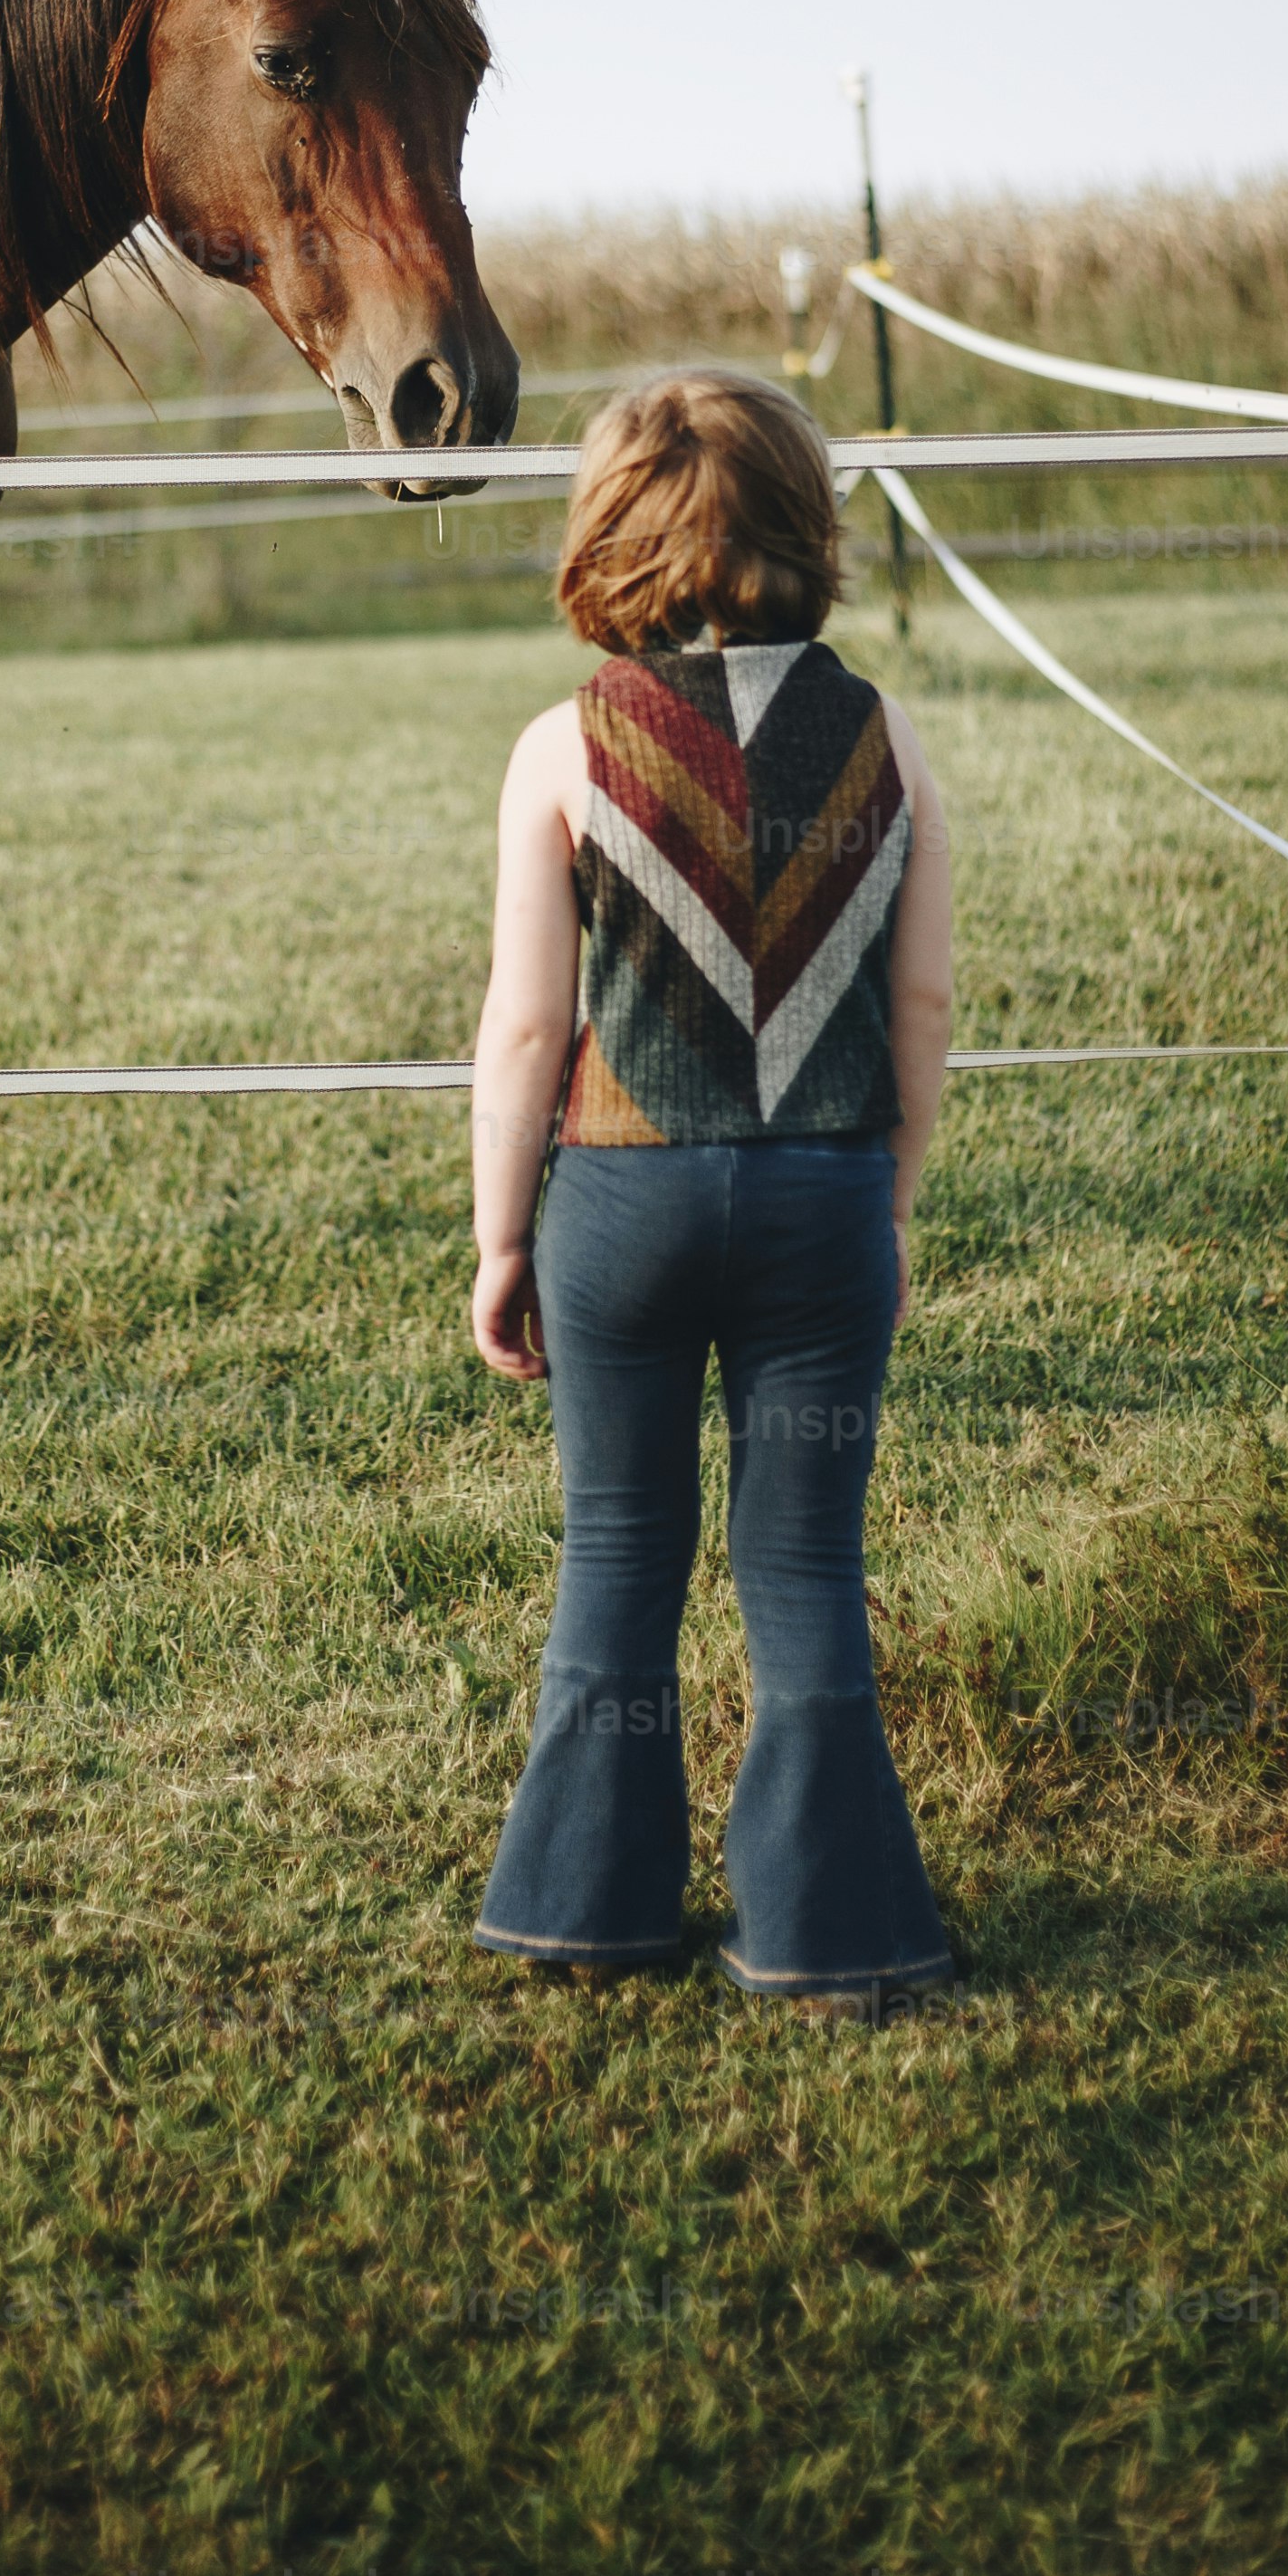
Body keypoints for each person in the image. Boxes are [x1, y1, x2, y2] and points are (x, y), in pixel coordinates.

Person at [466, 369, 956, 2010]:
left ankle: (579, 1904)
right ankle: (829, 1927)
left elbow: (529, 1021)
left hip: (619, 1199)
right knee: (802, 1568)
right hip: (822, 1201)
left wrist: (498, 1236)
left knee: (618, 1546)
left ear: (608, 533)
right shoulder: (881, 735)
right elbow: (922, 1004)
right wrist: (883, 1195)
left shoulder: (563, 743)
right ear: (805, 533)